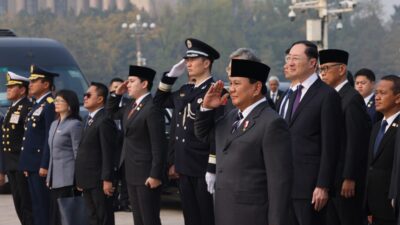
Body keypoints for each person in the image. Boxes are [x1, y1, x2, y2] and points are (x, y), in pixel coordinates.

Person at [194, 58, 293, 225]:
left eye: (237, 84)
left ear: (256, 88)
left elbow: (279, 183)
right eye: (230, 83)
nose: (231, 89)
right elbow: (203, 135)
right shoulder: (231, 117)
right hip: (225, 212)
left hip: (252, 215)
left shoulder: (272, 123)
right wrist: (207, 108)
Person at [153, 38, 220, 225]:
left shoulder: (215, 91)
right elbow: (158, 102)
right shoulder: (184, 90)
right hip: (184, 166)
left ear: (206, 63)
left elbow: (216, 133)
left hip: (202, 166)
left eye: (193, 60)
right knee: (190, 218)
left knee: (206, 217)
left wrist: (212, 167)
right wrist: (169, 77)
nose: (188, 64)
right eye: (187, 60)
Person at [285, 41, 342, 225]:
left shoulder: (327, 95)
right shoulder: (291, 94)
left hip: (310, 187)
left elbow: (331, 145)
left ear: (312, 63)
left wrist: (323, 185)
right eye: (288, 58)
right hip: (286, 184)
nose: (290, 63)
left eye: (296, 58)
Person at [107, 65, 167, 225]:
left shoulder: (152, 107)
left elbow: (159, 144)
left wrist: (155, 174)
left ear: (144, 84)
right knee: (138, 219)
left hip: (146, 173)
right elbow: (110, 113)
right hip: (131, 171)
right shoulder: (131, 106)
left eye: (132, 81)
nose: (128, 85)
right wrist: (116, 94)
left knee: (149, 218)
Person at [319, 49, 371, 225]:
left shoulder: (351, 98)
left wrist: (349, 177)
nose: (323, 74)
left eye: (326, 68)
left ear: (341, 69)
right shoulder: (330, 96)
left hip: (344, 179)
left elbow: (355, 141)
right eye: (321, 70)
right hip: (332, 177)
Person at [19, 65, 58, 225]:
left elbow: (50, 136)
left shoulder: (49, 104)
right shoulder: (36, 104)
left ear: (46, 84)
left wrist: (45, 164)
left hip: (40, 166)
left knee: (43, 206)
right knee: (35, 206)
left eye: (35, 81)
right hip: (32, 164)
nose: (30, 84)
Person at [75, 82, 118, 225]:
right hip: (87, 179)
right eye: (84, 95)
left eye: (88, 95)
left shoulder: (104, 120)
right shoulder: (87, 119)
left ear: (100, 99)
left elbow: (108, 152)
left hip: (99, 180)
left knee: (103, 216)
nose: (85, 98)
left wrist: (107, 179)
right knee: (92, 217)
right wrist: (80, 179)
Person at [366, 75, 400, 225]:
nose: (377, 98)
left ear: (398, 98)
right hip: (375, 205)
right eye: (376, 93)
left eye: (382, 93)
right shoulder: (376, 127)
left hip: (392, 203)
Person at [0, 71, 33, 225]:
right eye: (8, 87)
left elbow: (28, 139)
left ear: (22, 90)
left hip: (21, 163)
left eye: (12, 87)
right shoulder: (11, 109)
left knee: (27, 204)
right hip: (11, 164)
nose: (8, 89)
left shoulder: (27, 107)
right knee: (18, 204)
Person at [46, 89, 82, 225]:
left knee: (66, 217)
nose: (57, 103)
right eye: (56, 100)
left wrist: (78, 179)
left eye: (61, 101)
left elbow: (77, 153)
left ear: (70, 104)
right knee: (55, 216)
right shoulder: (54, 124)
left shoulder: (75, 125)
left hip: (68, 179)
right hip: (54, 179)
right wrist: (49, 176)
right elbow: (52, 153)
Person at [108, 77, 131, 212]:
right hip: (112, 144)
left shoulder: (129, 103)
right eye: (114, 87)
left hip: (125, 143)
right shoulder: (108, 103)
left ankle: (125, 202)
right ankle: (113, 201)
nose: (117, 89)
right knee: (113, 176)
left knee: (125, 176)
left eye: (119, 86)